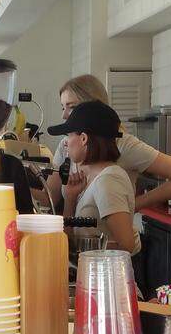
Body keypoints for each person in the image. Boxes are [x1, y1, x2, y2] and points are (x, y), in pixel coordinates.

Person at [46, 74, 171, 211]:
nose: (64, 116)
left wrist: (133, 205)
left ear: (93, 107)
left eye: (71, 107)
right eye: (63, 107)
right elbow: (49, 199)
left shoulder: (124, 145)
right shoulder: (66, 145)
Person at [48, 101, 141, 255]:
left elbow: (127, 246)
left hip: (105, 276)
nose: (66, 143)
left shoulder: (109, 180)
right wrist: (71, 197)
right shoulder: (93, 177)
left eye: (69, 135)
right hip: (89, 271)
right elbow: (67, 237)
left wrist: (85, 247)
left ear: (83, 139)